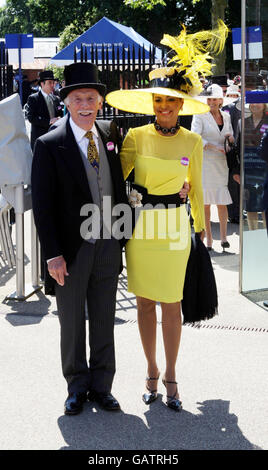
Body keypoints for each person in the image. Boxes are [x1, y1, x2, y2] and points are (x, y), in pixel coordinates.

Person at [106, 21, 227, 411]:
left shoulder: (193, 140)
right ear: (152, 105)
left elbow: (198, 193)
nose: (164, 108)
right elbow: (111, 176)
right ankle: (151, 371)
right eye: (158, 101)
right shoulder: (135, 137)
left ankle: (172, 374)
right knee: (143, 302)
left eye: (171, 101)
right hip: (142, 230)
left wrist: (200, 234)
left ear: (181, 103)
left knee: (171, 303)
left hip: (175, 230)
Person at [31, 62, 128, 415]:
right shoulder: (49, 144)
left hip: (107, 242)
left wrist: (122, 238)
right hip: (70, 250)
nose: (86, 104)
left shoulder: (109, 135)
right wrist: (53, 254)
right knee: (71, 321)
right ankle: (76, 386)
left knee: (104, 317)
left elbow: (118, 188)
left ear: (100, 102)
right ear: (66, 103)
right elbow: (42, 207)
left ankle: (103, 386)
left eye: (91, 98)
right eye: (78, 98)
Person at [191, 83, 236, 250]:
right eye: (209, 98)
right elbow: (195, 138)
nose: (211, 101)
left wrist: (230, 140)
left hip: (222, 164)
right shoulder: (200, 116)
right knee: (206, 204)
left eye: (215, 98)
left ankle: (224, 238)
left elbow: (229, 134)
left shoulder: (227, 116)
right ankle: (209, 240)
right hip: (206, 164)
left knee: (222, 201)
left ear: (220, 100)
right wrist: (212, 146)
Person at [235, 102, 268, 230]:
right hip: (247, 170)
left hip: (265, 170)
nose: (255, 105)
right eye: (252, 102)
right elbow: (238, 147)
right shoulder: (241, 122)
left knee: (265, 207)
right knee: (250, 206)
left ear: (264, 105)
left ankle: (266, 240)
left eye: (258, 102)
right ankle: (253, 235)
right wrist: (236, 170)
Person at [26, 70, 63, 150]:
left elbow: (60, 113)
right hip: (40, 139)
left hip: (55, 139)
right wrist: (49, 121)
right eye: (50, 82)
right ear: (42, 84)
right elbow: (31, 118)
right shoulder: (33, 98)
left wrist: (60, 119)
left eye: (53, 83)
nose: (52, 85)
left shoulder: (56, 99)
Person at [222, 84, 241, 224]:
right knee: (232, 184)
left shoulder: (229, 108)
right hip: (230, 149)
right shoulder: (233, 109)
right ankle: (234, 213)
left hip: (227, 149)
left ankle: (233, 213)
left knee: (231, 184)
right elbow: (235, 131)